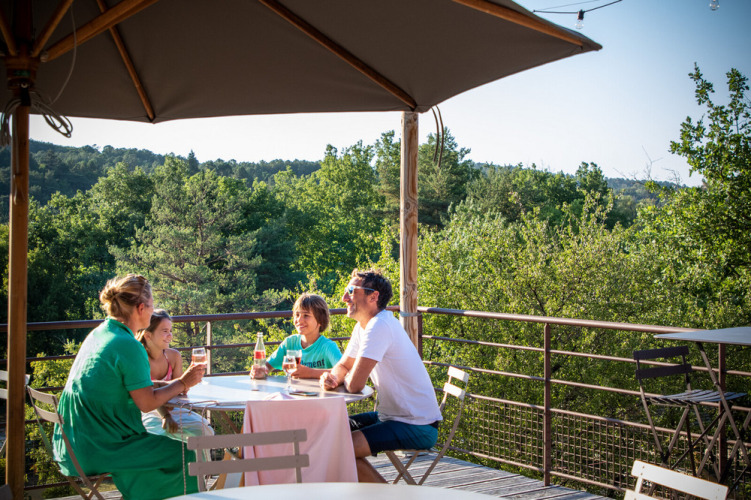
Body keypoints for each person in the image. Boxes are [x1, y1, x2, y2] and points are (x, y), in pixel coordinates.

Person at [53, 274, 205, 500]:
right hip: (100, 446)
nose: (152, 312)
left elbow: (125, 385)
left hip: (71, 444)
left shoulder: (99, 334)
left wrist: (171, 384)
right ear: (141, 308)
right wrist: (183, 382)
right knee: (185, 453)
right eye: (151, 306)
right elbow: (147, 403)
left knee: (161, 453)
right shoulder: (129, 345)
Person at [319, 268, 442, 482]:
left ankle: (383, 495)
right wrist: (333, 378)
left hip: (417, 425)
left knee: (338, 448)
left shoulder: (380, 326)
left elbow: (355, 385)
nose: (344, 297)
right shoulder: (364, 327)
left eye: (351, 291)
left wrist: (341, 377)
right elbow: (343, 365)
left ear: (373, 297)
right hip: (392, 417)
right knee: (328, 432)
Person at [136, 309, 214, 442]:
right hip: (148, 411)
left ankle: (199, 457)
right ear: (148, 335)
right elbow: (148, 395)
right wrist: (165, 415)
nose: (170, 336)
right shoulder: (140, 359)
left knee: (205, 430)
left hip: (175, 409)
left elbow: (179, 392)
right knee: (161, 435)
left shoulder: (174, 356)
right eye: (165, 331)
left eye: (170, 331)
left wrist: (186, 384)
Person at [250, 292, 341, 379]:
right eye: (297, 315)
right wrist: (260, 371)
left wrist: (310, 373)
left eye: (306, 315)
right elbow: (267, 366)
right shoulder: (290, 343)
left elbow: (343, 372)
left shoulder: (328, 346)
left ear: (320, 320)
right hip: (293, 389)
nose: (299, 320)